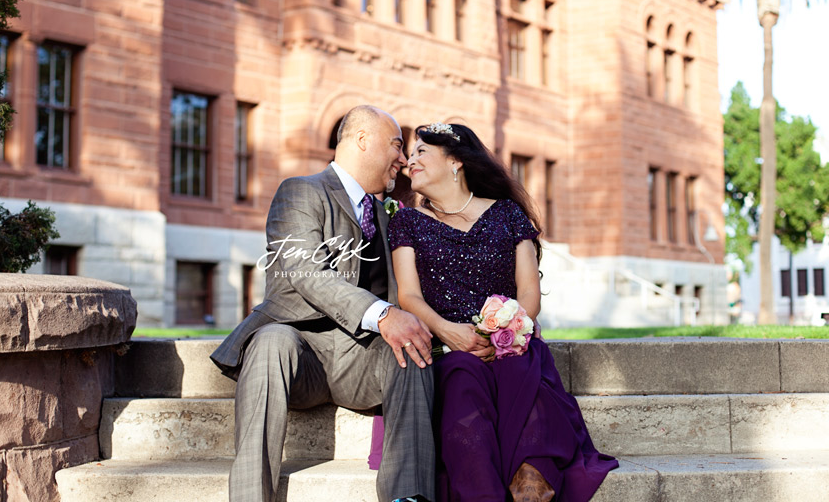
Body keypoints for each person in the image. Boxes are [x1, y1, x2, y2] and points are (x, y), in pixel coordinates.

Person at [210, 106, 436, 502]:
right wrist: (382, 313)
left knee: (413, 346)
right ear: (363, 141)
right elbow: (304, 269)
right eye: (397, 145)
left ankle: (409, 496)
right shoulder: (301, 191)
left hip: (363, 360)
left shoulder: (391, 213)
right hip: (300, 355)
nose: (403, 159)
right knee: (269, 342)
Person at [387, 122, 619, 502]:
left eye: (421, 153)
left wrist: (507, 333)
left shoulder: (507, 214)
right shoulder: (407, 222)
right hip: (452, 348)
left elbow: (528, 291)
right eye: (410, 155)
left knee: (520, 370)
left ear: (455, 162)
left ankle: (531, 484)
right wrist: (449, 332)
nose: (410, 162)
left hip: (510, 344)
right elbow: (409, 296)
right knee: (462, 380)